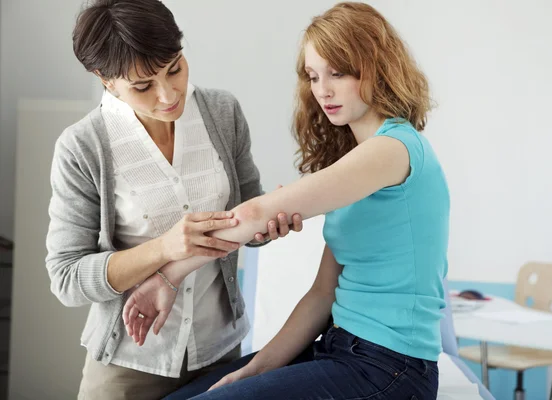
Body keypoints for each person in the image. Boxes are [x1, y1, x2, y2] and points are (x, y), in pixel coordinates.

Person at [126, 2, 450, 400]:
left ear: (377, 67)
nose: (322, 90)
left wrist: (168, 276)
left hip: (390, 369)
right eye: (313, 76)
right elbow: (322, 294)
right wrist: (255, 370)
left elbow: (256, 213)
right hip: (338, 348)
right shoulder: (355, 168)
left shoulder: (394, 149)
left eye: (338, 73)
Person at [44, 1, 303, 399]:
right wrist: (164, 247)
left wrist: (269, 222)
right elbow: (67, 279)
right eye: (143, 86)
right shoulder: (83, 147)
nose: (168, 95)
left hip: (221, 351)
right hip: (130, 363)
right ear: (105, 78)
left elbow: (249, 218)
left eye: (175, 69)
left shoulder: (222, 113)